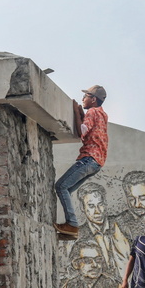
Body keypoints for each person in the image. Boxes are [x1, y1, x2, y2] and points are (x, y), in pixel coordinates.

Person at [54, 85, 109, 240]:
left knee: (61, 186)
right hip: (97, 162)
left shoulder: (92, 112)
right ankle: (70, 230)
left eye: (86, 96)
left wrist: (76, 112)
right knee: (67, 189)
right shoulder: (102, 114)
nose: (83, 99)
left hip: (88, 158)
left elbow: (81, 131)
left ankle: (71, 224)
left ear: (93, 99)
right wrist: (80, 112)